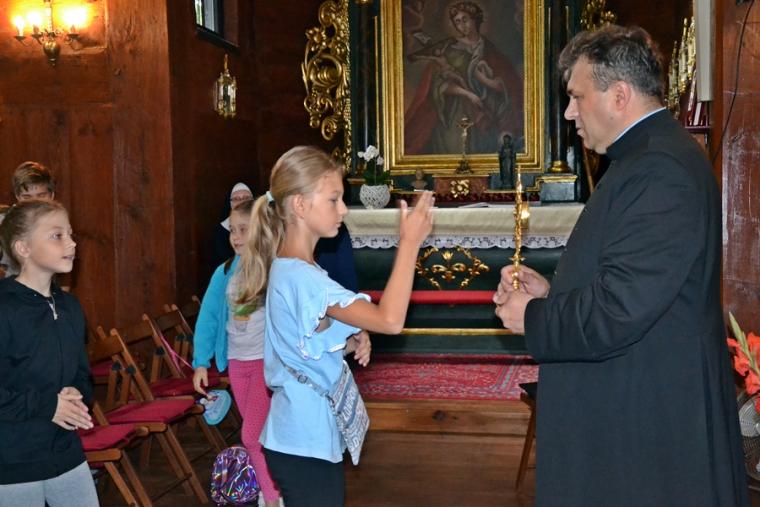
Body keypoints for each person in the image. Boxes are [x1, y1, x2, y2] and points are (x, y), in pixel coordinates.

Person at [493, 25, 748, 506]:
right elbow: (632, 282)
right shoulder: (646, 158)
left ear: (619, 95)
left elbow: (621, 308)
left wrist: (533, 316)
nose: (569, 113)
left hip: (645, 422)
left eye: (576, 97)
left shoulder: (660, 169)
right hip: (635, 400)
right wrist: (551, 294)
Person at [249, 146, 433, 506]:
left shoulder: (296, 269)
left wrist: (349, 339)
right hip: (302, 443)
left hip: (300, 439)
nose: (344, 209)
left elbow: (304, 341)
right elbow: (390, 320)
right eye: (333, 199)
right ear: (300, 205)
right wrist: (410, 243)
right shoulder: (304, 278)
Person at [0, 200, 98, 506]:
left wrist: (78, 395)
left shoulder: (69, 306)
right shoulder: (5, 308)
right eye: (57, 236)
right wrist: (49, 405)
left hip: (65, 451)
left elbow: (82, 374)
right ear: (23, 248)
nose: (72, 243)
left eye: (70, 234)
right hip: (13, 459)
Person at [192, 198, 281, 507]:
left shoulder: (273, 269)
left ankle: (272, 498)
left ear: (259, 231)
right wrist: (201, 362)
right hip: (236, 363)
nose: (236, 237)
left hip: (264, 363)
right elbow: (208, 317)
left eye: (244, 229)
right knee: (259, 436)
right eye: (232, 230)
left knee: (251, 436)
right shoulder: (225, 271)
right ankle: (274, 490)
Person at [404, 1, 523, 155]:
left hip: (485, 114)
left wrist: (486, 82)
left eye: (465, 20)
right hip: (454, 114)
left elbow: (508, 86)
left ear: (475, 19)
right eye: (457, 22)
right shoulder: (448, 48)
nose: (461, 26)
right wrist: (468, 94)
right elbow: (437, 84)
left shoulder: (491, 51)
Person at [1, 162, 57, 278]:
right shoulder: (3, 222)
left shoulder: (59, 224)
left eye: (41, 195)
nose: (34, 202)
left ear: (52, 195)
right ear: (17, 196)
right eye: (27, 197)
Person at [210, 182, 254, 269]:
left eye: (246, 198)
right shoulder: (221, 231)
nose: (242, 201)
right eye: (236, 199)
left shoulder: (263, 224)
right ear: (230, 203)